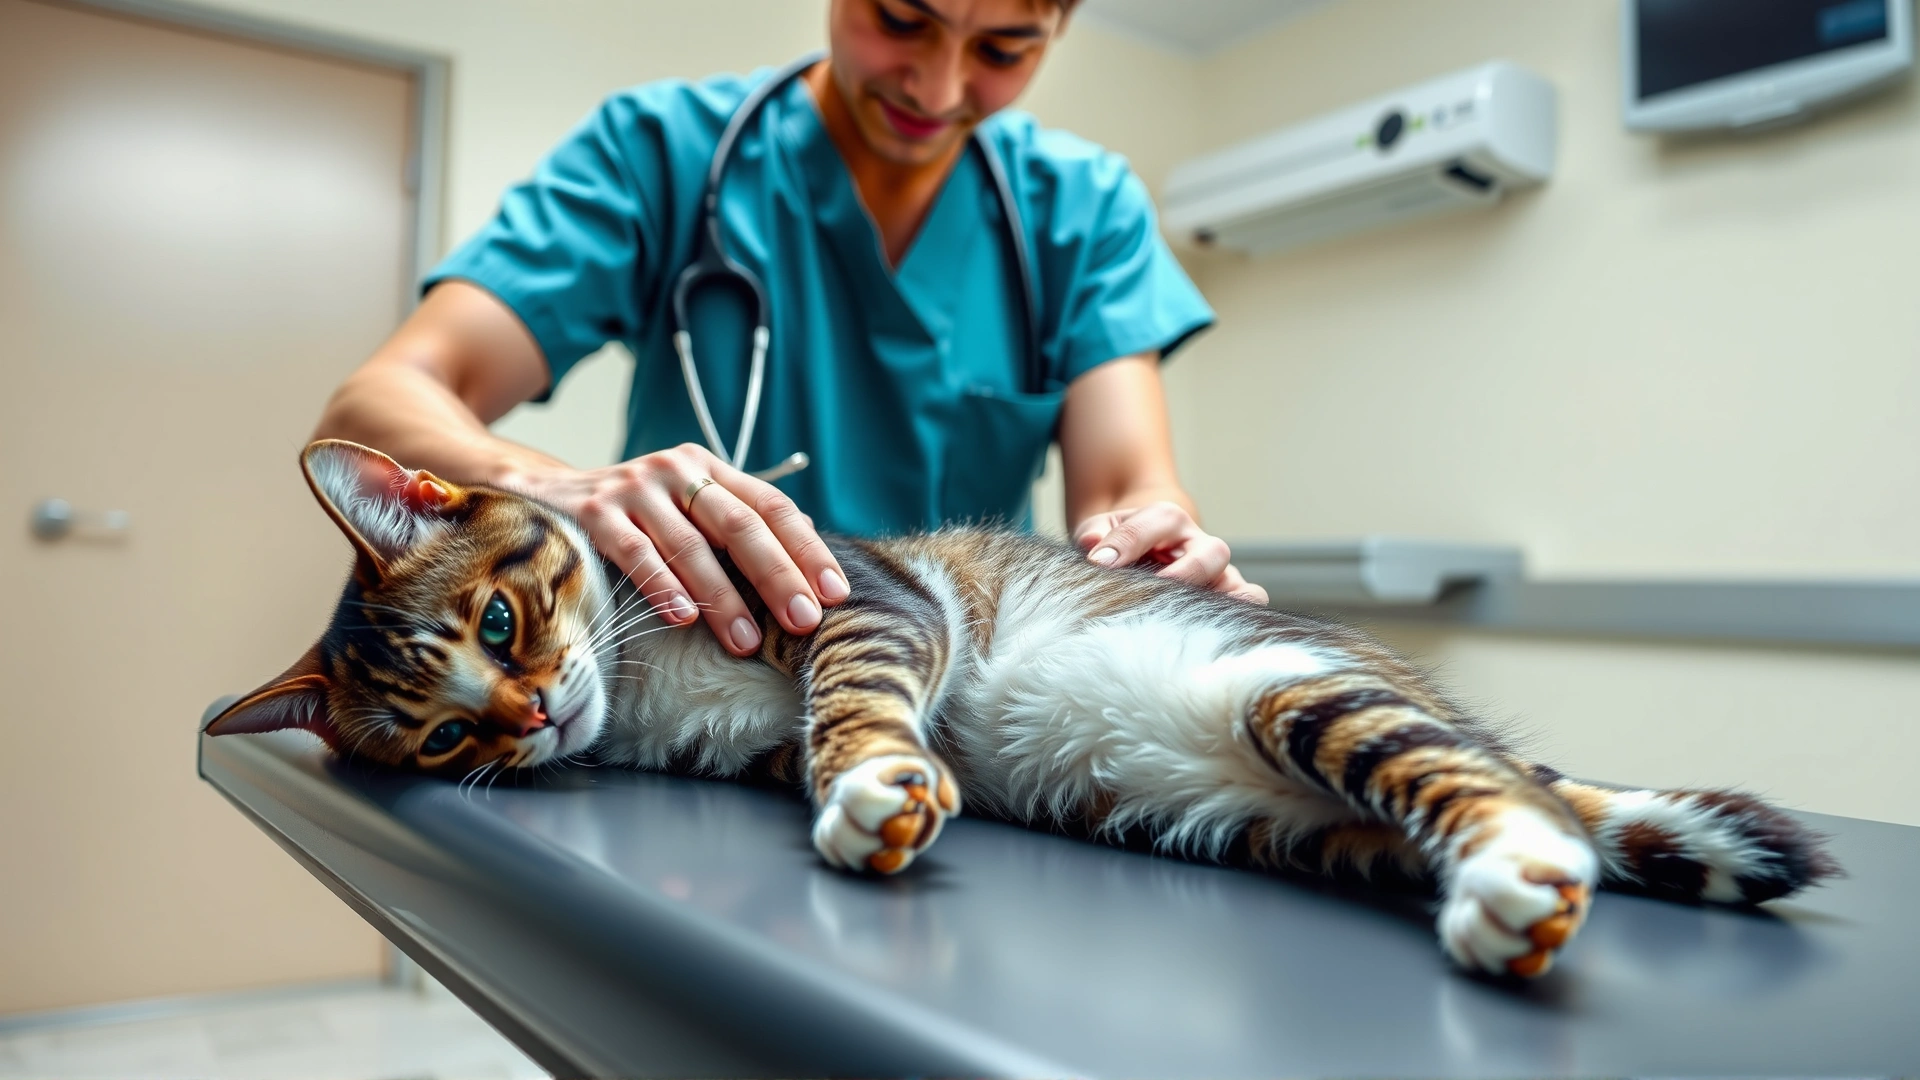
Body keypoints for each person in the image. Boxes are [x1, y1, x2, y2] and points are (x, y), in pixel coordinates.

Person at [314, 0, 1268, 661]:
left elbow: (1124, 490)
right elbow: (377, 402)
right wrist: (554, 487)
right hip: (704, 675)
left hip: (964, 696)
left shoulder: (1080, 208)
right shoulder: (662, 152)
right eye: (902, 20)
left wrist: (1156, 547)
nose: (938, 89)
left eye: (1005, 49)